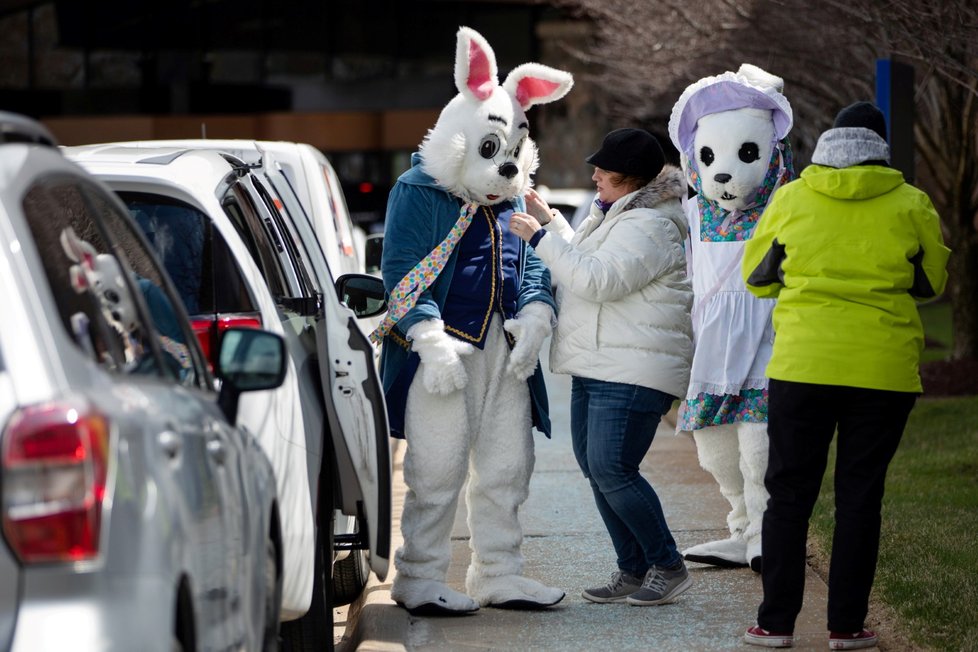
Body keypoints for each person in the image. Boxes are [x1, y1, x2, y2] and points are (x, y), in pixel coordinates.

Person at [741, 101, 950, 649]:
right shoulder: (912, 203)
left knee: (788, 494)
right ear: (883, 148)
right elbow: (932, 282)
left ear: (830, 143)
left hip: (803, 366)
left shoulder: (791, 199)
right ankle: (846, 628)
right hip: (882, 371)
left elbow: (757, 278)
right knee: (860, 495)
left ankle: (776, 624)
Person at [510, 128, 695, 606]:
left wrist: (539, 239)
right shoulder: (618, 213)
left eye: (603, 172)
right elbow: (587, 259)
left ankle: (668, 565)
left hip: (632, 369)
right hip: (601, 362)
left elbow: (597, 280)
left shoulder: (652, 225)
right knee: (598, 470)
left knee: (614, 468)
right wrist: (551, 223)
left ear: (630, 180)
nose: (593, 175)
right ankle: (633, 569)